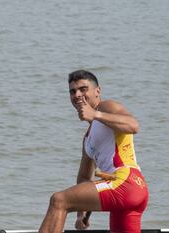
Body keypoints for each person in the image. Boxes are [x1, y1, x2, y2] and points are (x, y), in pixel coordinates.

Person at [39, 70, 149, 233]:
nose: (77, 95)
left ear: (97, 91)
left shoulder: (108, 107)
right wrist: (81, 214)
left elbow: (133, 126)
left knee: (59, 201)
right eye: (72, 91)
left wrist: (95, 114)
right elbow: (84, 177)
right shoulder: (87, 139)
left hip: (126, 182)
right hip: (134, 193)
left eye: (83, 89)